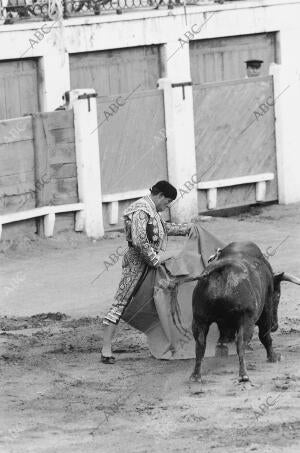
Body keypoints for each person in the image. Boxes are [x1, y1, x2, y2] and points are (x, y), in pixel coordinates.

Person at [101, 180, 192, 364]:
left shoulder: (152, 210)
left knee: (160, 299)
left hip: (149, 263)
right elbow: (140, 241)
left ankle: (164, 342)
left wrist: (187, 229)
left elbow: (163, 229)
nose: (166, 207)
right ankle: (106, 348)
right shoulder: (141, 209)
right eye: (166, 202)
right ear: (159, 196)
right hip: (137, 263)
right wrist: (156, 262)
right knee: (122, 301)